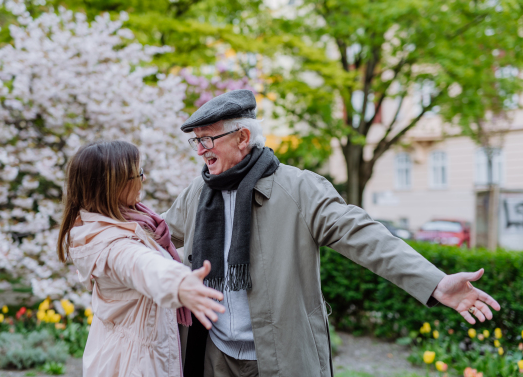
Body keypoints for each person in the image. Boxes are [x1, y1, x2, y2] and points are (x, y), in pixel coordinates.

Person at [162, 89, 501, 377]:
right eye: (197, 140)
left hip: (281, 358)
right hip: (213, 354)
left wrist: (436, 282)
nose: (201, 149)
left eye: (208, 138)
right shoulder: (198, 193)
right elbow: (156, 234)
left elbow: (366, 236)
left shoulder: (299, 189)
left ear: (242, 137)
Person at [56, 140, 225, 377]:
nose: (142, 179)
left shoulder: (123, 221)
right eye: (138, 173)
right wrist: (180, 283)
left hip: (124, 354)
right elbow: (141, 265)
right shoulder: (110, 245)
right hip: (133, 365)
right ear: (113, 186)